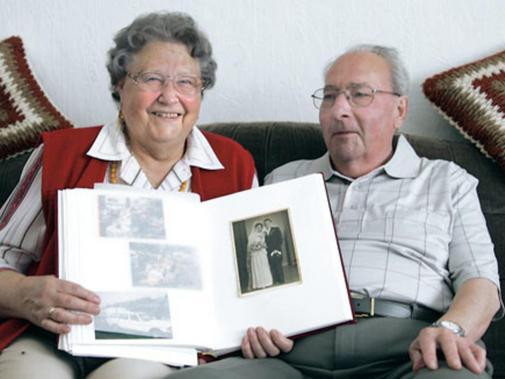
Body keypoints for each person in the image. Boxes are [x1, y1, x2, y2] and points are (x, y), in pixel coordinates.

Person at [168, 45, 503, 379]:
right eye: (329, 97)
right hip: (290, 354)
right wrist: (250, 324)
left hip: (407, 347)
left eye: (359, 95)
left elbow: (481, 283)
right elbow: (246, 282)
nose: (339, 110)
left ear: (400, 110)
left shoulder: (445, 180)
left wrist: (451, 329)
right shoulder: (284, 179)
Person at [0, 11, 256, 378]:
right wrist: (26, 293)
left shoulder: (235, 164)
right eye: (152, 79)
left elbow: (246, 285)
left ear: (201, 92)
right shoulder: (60, 154)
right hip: (51, 335)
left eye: (186, 82)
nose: (170, 97)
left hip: (160, 346)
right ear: (120, 85)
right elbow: (4, 256)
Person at [247, 222, 273, 290]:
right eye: (258, 227)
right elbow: (250, 247)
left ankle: (267, 282)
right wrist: (256, 247)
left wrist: (262, 246)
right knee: (257, 268)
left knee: (264, 267)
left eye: (260, 227)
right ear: (255, 228)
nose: (259, 229)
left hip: (262, 254)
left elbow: (265, 245)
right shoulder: (251, 236)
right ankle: (259, 284)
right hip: (255, 255)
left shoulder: (263, 235)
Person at [263, 218, 284, 284]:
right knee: (272, 266)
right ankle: (275, 280)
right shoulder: (264, 233)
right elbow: (265, 243)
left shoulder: (276, 229)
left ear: (270, 223)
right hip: (269, 252)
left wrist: (276, 249)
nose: (267, 224)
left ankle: (281, 280)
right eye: (266, 224)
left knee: (278, 266)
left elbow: (280, 240)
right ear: (265, 225)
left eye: (268, 223)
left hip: (277, 250)